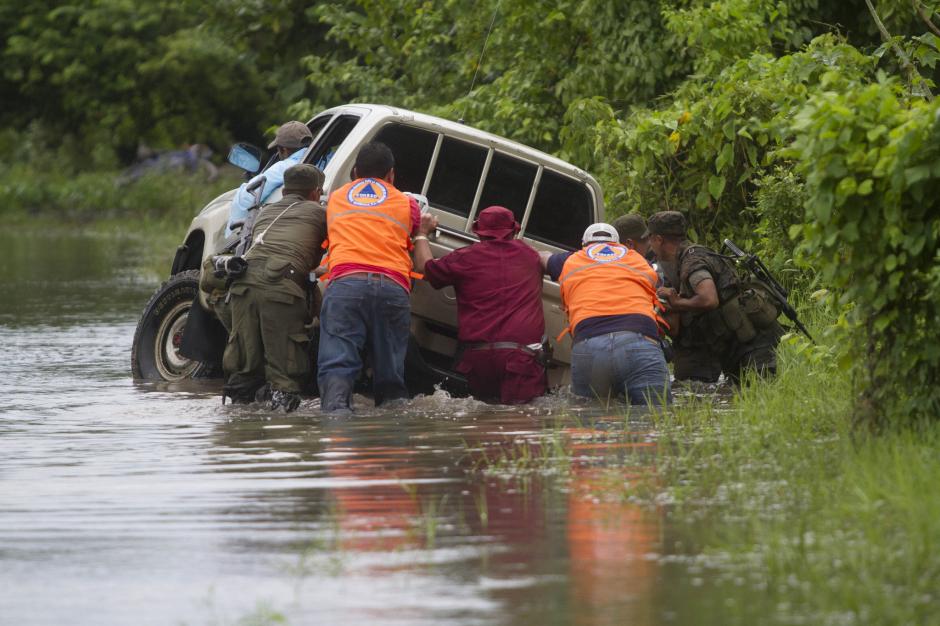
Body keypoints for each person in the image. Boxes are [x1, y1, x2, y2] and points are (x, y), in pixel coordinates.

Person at [317, 142, 423, 413]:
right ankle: (391, 438)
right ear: (391, 175)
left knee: (337, 367)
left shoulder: (336, 199)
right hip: (392, 289)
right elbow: (414, 229)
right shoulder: (408, 204)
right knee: (390, 375)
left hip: (345, 286)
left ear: (355, 171)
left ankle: (335, 431)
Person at [412, 205, 547, 404]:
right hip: (521, 359)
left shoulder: (464, 258)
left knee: (481, 421)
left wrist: (422, 234)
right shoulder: (531, 256)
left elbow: (425, 268)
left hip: (478, 359)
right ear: (514, 230)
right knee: (520, 422)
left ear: (478, 231)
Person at [221, 164, 327, 411]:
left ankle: (237, 432)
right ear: (315, 193)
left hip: (242, 286)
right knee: (285, 375)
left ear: (284, 191)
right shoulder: (320, 213)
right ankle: (282, 437)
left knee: (244, 367)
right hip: (281, 289)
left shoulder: (264, 212)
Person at [541, 223, 670, 405]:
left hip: (590, 345)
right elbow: (657, 286)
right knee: (656, 418)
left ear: (584, 245)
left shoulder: (571, 259)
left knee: (590, 424)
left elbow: (542, 258)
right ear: (619, 244)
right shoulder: (638, 260)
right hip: (640, 343)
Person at [647, 210, 783, 383]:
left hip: (753, 342)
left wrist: (677, 302)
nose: (650, 245)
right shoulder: (687, 257)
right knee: (740, 397)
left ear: (658, 239)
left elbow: (709, 299)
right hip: (736, 341)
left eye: (651, 238)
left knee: (762, 395)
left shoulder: (692, 261)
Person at [225, 121, 313, 236]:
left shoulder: (285, 167)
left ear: (283, 150)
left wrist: (230, 235)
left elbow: (247, 198)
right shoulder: (330, 159)